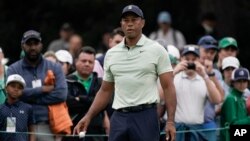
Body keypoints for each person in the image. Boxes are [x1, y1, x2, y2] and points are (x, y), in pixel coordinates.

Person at [73, 4, 177, 141]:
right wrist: (88, 116)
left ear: (143, 23)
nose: (130, 24)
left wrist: (170, 121)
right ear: (121, 24)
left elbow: (168, 86)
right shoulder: (111, 54)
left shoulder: (157, 50)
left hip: (146, 116)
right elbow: (105, 90)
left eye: (134, 20)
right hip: (119, 117)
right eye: (126, 20)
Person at [7, 30, 67, 141]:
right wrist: (42, 89)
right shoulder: (13, 69)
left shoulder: (55, 67)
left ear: (41, 45)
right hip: (21, 125)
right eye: (29, 44)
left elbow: (61, 94)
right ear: (22, 46)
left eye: (36, 43)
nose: (33, 47)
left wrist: (28, 97)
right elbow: (13, 93)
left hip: (48, 125)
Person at [173, 45, 221, 141]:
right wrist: (174, 73)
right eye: (187, 59)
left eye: (194, 59)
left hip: (197, 129)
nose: (190, 62)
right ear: (181, 59)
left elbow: (217, 100)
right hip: (178, 129)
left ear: (199, 60)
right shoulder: (174, 77)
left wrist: (205, 75)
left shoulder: (204, 79)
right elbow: (160, 97)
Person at [64, 47, 107, 141]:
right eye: (84, 61)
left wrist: (79, 98)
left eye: (90, 62)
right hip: (73, 130)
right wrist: (92, 100)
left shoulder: (100, 82)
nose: (87, 64)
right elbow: (68, 103)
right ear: (76, 61)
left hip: (96, 132)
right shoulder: (67, 81)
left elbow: (103, 104)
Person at [197, 35, 224, 141]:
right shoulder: (190, 69)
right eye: (206, 51)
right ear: (198, 49)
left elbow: (221, 98)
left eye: (212, 52)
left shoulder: (216, 73)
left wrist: (210, 74)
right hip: (191, 123)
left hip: (208, 122)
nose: (209, 55)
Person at [0, 74, 35, 141]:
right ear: (6, 88)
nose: (16, 89)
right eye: (13, 86)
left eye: (19, 88)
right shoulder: (1, 108)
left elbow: (32, 131)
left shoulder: (27, 108)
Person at [220, 67, 250, 141]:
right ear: (233, 82)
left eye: (244, 81)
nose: (242, 84)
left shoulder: (242, 99)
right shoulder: (231, 98)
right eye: (239, 81)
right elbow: (233, 125)